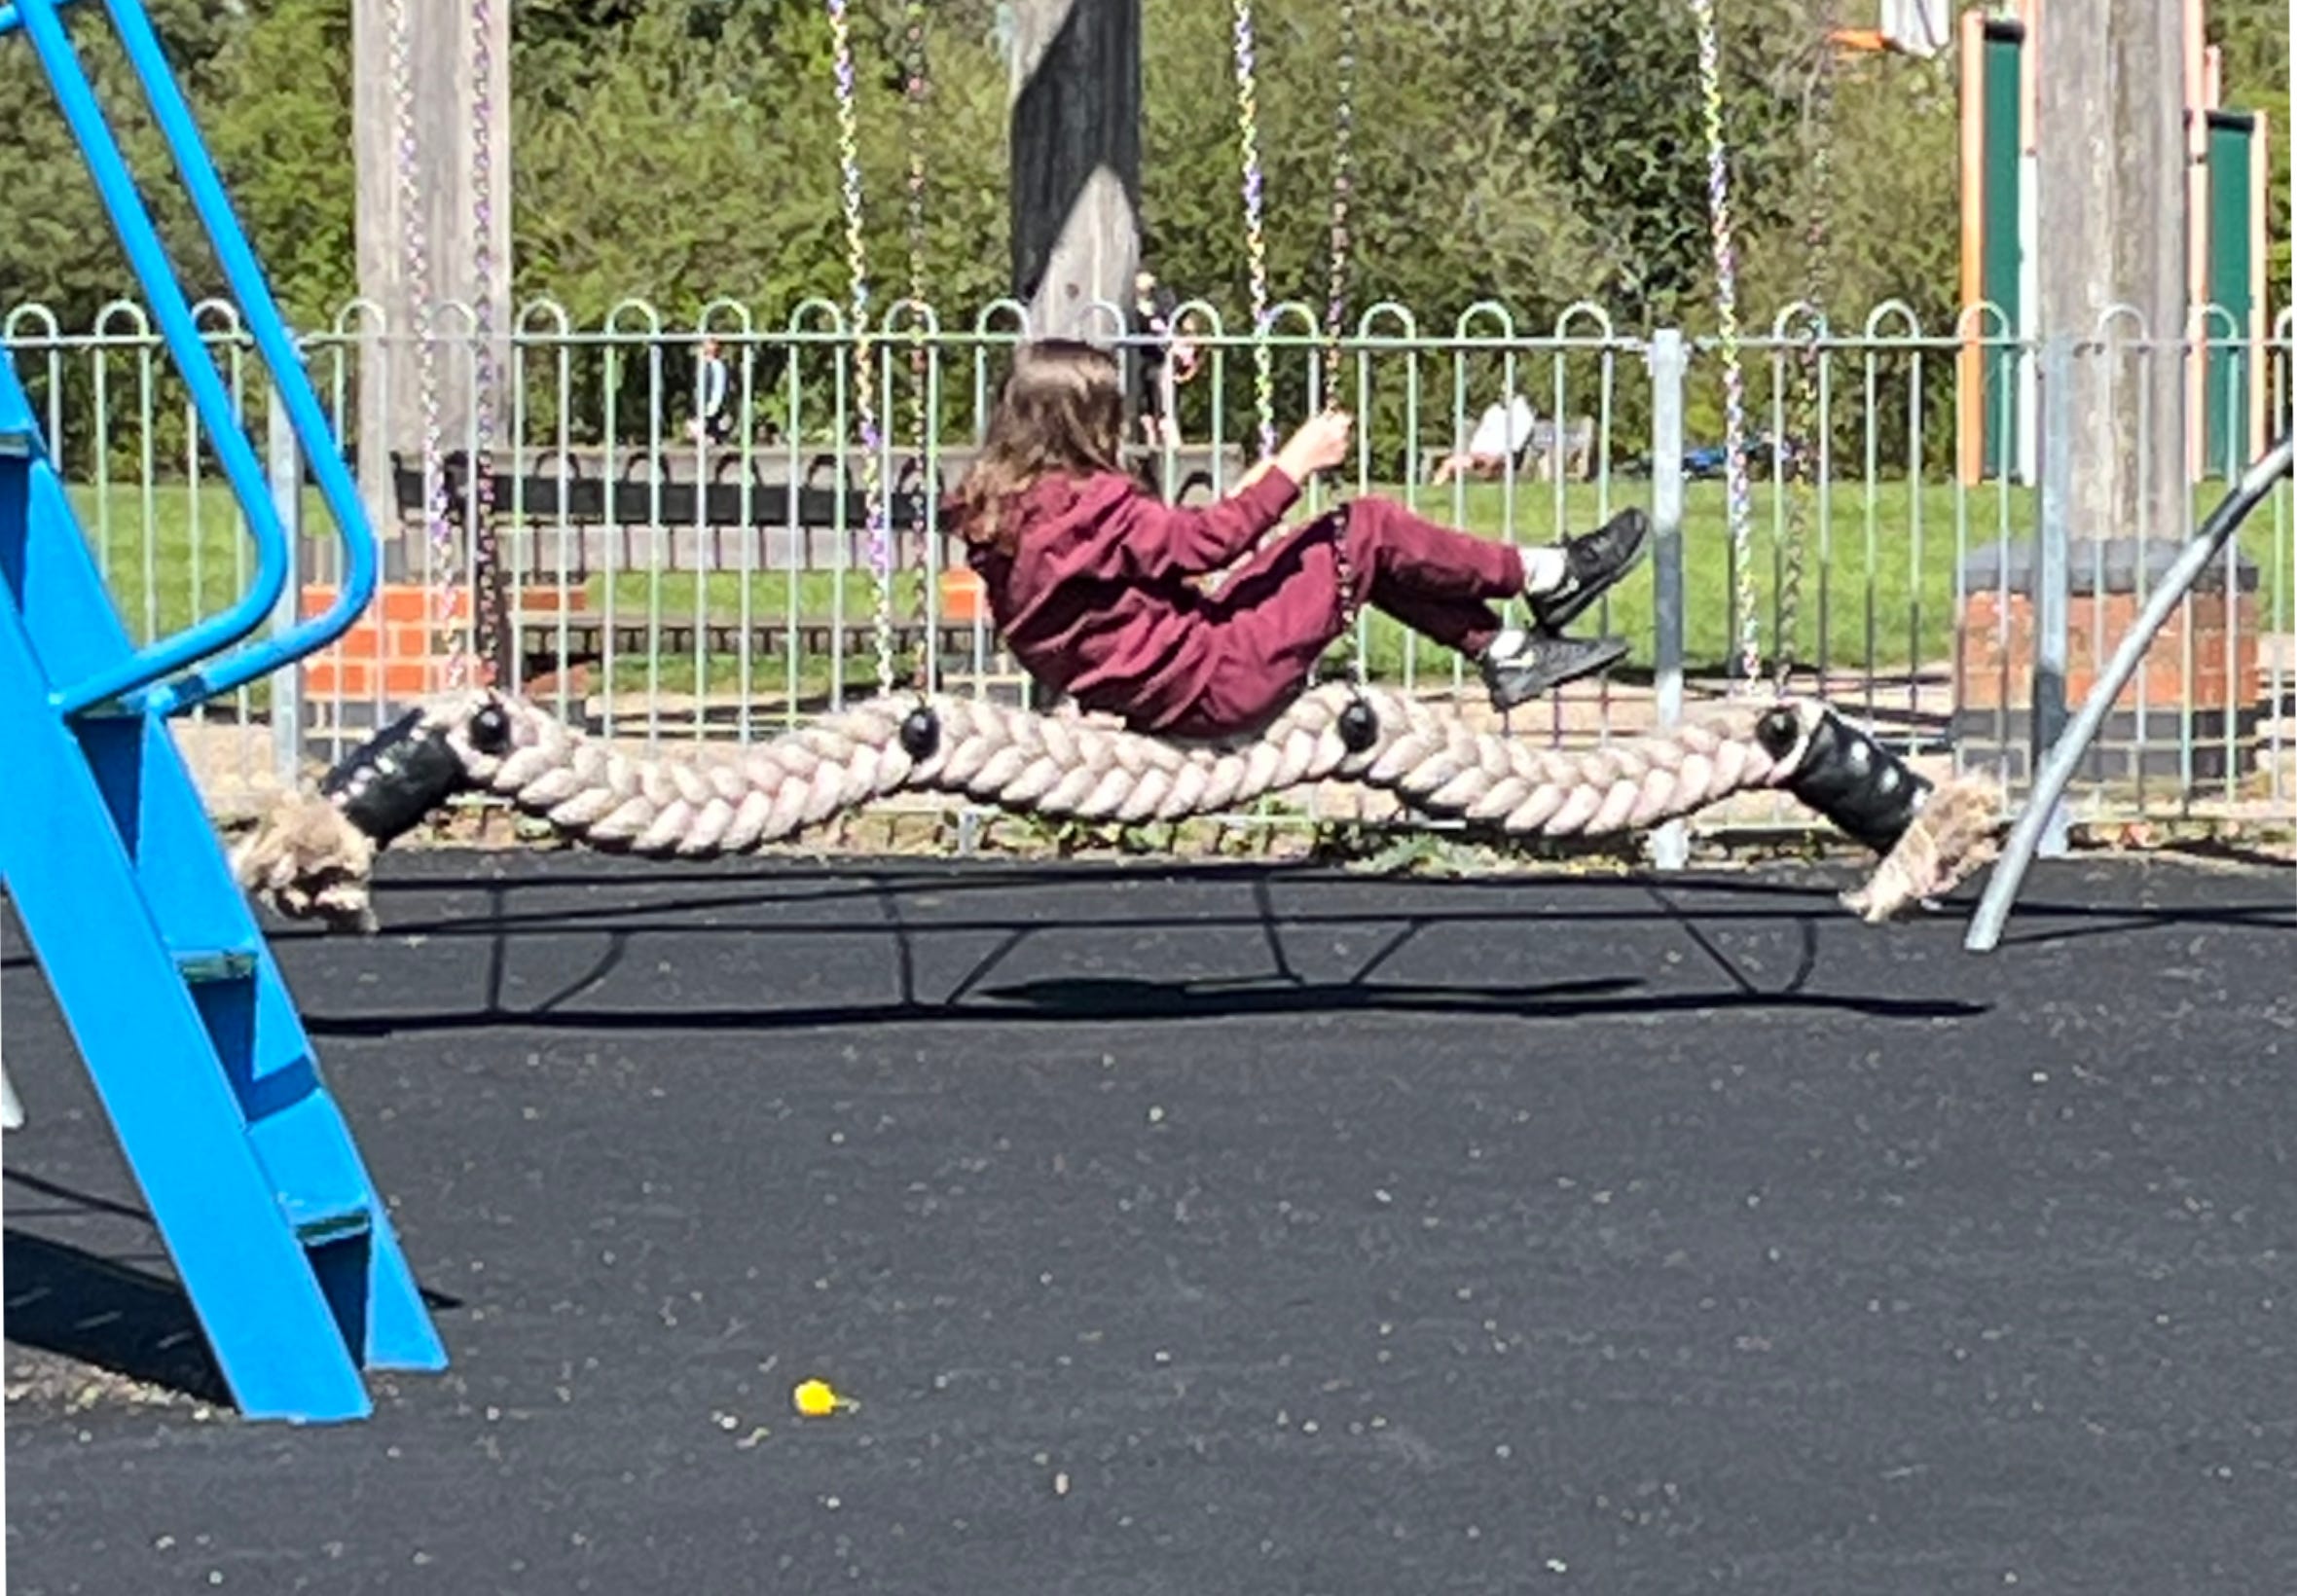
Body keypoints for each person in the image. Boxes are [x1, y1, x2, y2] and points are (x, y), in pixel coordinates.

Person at [946, 340, 1645, 742]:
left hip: (1174, 682)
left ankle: (1508, 650)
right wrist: (1296, 464)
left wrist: (1269, 478)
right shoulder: (1089, 506)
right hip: (1216, 678)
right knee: (1367, 526)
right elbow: (1207, 545)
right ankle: (1548, 575)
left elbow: (1166, 558)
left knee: (1350, 548)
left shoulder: (1003, 516)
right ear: (1085, 423)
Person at [1131, 269, 1200, 447]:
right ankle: (1153, 432)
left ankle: (1166, 430)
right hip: (1149, 359)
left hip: (1164, 360)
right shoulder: (1137, 309)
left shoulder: (1164, 303)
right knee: (1151, 397)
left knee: (1163, 397)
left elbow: (1180, 326)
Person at [1430, 394, 1538, 485]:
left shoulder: (1522, 418)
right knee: (1448, 464)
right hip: (1478, 457)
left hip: (1494, 459)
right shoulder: (1494, 412)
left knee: (1453, 464)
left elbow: (1514, 448)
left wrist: (1492, 459)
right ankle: (1436, 488)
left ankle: (1437, 487)